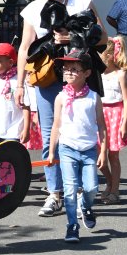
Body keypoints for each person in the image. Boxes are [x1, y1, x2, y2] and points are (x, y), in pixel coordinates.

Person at [15, 0, 108, 218]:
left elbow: (104, 37)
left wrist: (74, 36)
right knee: (50, 136)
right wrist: (19, 85)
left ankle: (77, 191)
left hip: (79, 77)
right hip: (46, 78)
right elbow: (24, 47)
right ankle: (54, 193)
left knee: (81, 131)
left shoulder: (82, 1)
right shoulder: (32, 9)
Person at [48, 49, 108, 243]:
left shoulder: (94, 98)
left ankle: (86, 205)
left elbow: (101, 126)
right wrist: (51, 152)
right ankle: (72, 225)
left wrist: (103, 151)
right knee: (70, 189)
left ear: (87, 73)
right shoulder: (60, 97)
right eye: (66, 69)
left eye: (74, 69)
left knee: (92, 188)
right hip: (67, 149)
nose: (69, 72)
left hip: (89, 150)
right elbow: (56, 125)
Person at [97, 36, 127, 205]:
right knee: (98, 156)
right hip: (100, 115)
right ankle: (110, 181)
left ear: (111, 55)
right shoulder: (97, 74)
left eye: (101, 54)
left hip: (116, 116)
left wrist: (124, 123)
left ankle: (115, 190)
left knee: (113, 155)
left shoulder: (120, 74)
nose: (98, 57)